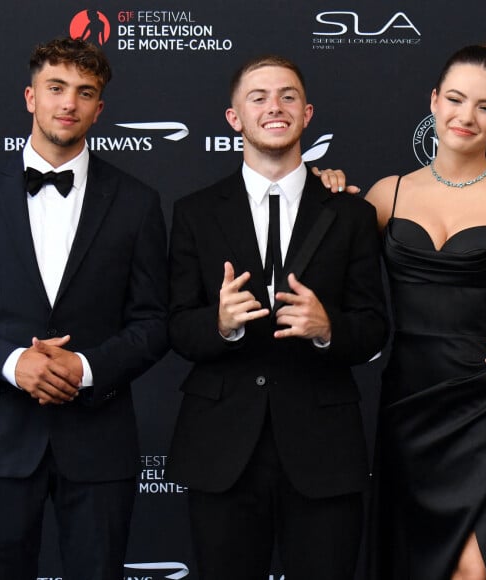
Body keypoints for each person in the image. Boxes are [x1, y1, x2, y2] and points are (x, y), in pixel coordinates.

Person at [165, 54, 388, 580]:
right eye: (258, 97)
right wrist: (219, 323)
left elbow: (376, 327)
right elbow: (175, 325)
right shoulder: (194, 212)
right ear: (233, 118)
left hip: (323, 450)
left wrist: (329, 328)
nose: (274, 107)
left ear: (307, 114)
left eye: (288, 96)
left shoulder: (350, 212)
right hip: (221, 450)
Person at [364, 43, 486, 580]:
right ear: (433, 101)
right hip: (408, 406)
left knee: (474, 571)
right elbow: (327, 263)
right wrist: (330, 187)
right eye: (455, 99)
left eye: (484, 106)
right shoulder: (389, 194)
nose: (465, 116)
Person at [0, 37, 168, 579]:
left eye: (85, 93)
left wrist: (84, 369)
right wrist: (12, 362)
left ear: (99, 108)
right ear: (29, 97)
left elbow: (154, 321)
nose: (69, 103)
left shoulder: (137, 201)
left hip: (99, 444)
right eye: (56, 88)